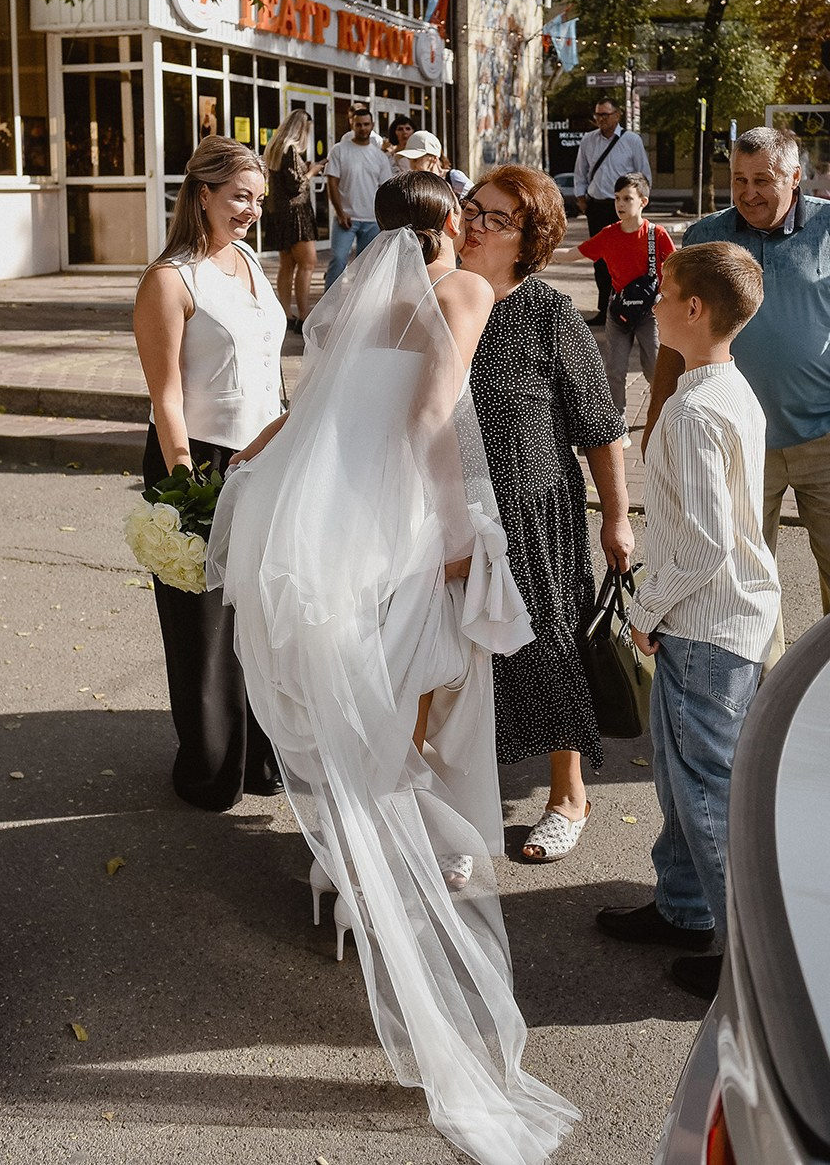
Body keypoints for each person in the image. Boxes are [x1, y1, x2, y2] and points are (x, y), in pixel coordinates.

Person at [206, 171, 578, 1165]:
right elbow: (429, 423)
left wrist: (248, 467)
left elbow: (318, 408)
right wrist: (461, 535)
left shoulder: (355, 293)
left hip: (331, 530)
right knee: (423, 695)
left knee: (364, 697)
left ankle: (352, 875)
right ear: (451, 223)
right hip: (404, 524)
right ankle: (388, 886)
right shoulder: (460, 291)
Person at [598, 244, 780, 1003]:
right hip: (720, 617)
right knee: (679, 777)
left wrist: (643, 610)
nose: (652, 301)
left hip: (706, 626)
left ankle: (751, 963)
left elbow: (703, 539)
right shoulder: (728, 389)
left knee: (706, 788)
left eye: (664, 291)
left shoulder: (692, 409)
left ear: (695, 310)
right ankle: (682, 908)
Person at [645, 127, 830, 651]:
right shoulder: (706, 237)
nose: (749, 193)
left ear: (795, 177)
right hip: (734, 441)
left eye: (763, 180)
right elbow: (674, 339)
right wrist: (655, 425)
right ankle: (762, 699)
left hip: (829, 434)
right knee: (741, 586)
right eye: (739, 180)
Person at [459, 166, 633, 861]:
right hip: (451, 510)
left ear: (528, 239)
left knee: (548, 641)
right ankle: (462, 804)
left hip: (534, 509)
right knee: (460, 658)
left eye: (495, 219)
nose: (473, 223)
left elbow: (598, 424)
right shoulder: (441, 297)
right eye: (473, 208)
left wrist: (616, 517)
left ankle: (568, 794)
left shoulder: (546, 312)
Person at [132, 137, 285, 810]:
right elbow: (165, 396)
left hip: (265, 457)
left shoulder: (250, 259)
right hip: (198, 460)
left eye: (258, 198)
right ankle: (211, 765)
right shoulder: (170, 277)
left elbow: (266, 369)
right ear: (203, 194)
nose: (251, 209)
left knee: (260, 616)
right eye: (239, 196)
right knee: (202, 628)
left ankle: (259, 759)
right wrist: (186, 486)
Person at [551, 171, 675, 427]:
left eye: (627, 198)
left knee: (654, 367)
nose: (619, 204)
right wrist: (541, 252)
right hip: (618, 312)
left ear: (643, 201)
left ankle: (663, 414)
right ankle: (617, 422)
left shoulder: (656, 234)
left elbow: (676, 266)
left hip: (650, 313)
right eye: (617, 198)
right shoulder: (609, 234)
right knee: (615, 371)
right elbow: (574, 253)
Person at [572, 99, 651, 325]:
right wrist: (581, 198)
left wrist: (642, 202)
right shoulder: (588, 140)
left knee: (628, 257)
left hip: (625, 206)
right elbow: (581, 170)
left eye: (606, 115)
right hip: (596, 205)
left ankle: (631, 306)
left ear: (618, 115)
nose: (601, 119)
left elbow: (643, 173)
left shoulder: (631, 140)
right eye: (598, 115)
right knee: (600, 259)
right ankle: (603, 309)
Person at [323, 104, 392, 289]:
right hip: (346, 218)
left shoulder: (380, 157)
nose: (363, 128)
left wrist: (382, 218)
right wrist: (340, 212)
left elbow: (385, 189)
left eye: (366, 124)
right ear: (352, 124)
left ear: (372, 125)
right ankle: (327, 308)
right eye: (359, 124)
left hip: (371, 220)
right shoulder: (339, 149)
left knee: (365, 267)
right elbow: (332, 183)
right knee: (337, 260)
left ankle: (357, 311)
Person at [263, 108, 319, 333]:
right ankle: (304, 316)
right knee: (308, 264)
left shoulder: (275, 148)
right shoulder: (290, 149)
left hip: (279, 214)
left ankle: (285, 313)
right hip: (296, 214)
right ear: (302, 128)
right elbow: (297, 185)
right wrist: (312, 171)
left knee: (287, 265)